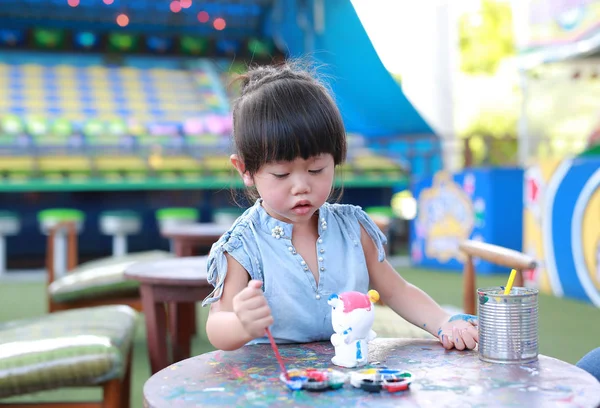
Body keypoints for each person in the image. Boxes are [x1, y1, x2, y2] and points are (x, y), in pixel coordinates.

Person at [202, 62, 478, 351]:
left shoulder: (352, 229)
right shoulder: (244, 245)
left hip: (347, 375)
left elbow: (397, 291)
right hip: (275, 382)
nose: (301, 186)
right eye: (282, 174)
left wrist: (445, 321)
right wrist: (241, 324)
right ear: (245, 169)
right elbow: (217, 325)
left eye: (317, 169)